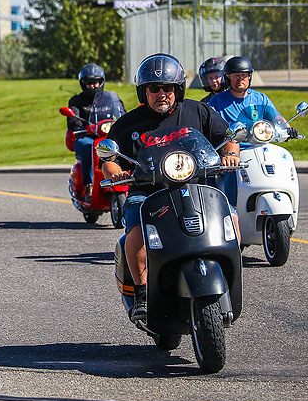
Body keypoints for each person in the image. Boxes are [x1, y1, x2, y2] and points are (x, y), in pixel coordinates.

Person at [101, 54, 240, 323]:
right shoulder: (129, 124)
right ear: (145, 91)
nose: (161, 94)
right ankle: (142, 293)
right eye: (154, 88)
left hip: (196, 186)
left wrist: (230, 154)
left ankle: (230, 282)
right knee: (136, 232)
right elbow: (109, 159)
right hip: (147, 192)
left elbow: (227, 137)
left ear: (177, 89)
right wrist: (116, 173)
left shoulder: (197, 111)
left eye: (167, 88)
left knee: (231, 218)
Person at [208, 56, 296, 205]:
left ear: (250, 77)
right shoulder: (217, 102)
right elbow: (210, 125)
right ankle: (232, 207)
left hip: (260, 148)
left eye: (244, 76)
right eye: (236, 76)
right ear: (228, 78)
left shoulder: (261, 99)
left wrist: (287, 129)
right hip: (234, 153)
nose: (240, 79)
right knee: (232, 172)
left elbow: (277, 119)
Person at [65, 64, 124, 197]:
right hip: (86, 137)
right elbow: (73, 119)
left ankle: (129, 180)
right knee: (89, 147)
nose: (92, 86)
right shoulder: (76, 101)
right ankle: (88, 185)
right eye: (88, 83)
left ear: (101, 81)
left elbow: (121, 113)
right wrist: (78, 126)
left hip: (108, 137)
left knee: (125, 147)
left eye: (95, 82)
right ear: (82, 83)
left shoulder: (110, 98)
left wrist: (125, 122)